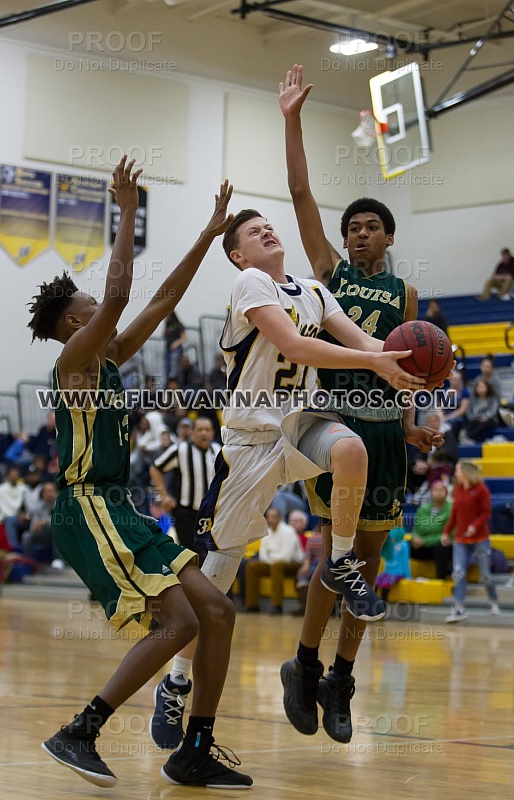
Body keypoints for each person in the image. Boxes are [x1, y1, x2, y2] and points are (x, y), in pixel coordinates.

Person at [149, 198, 424, 748]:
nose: (268, 230)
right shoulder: (250, 284)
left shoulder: (315, 291)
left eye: (269, 225)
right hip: (252, 441)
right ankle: (175, 683)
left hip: (301, 424)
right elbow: (296, 345)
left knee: (351, 450)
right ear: (237, 254)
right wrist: (374, 362)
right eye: (254, 230)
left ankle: (342, 562)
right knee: (218, 581)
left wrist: (408, 360)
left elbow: (365, 341)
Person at [29, 162, 253, 790]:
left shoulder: (109, 357)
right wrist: (128, 212)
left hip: (118, 506)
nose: (103, 309)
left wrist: (210, 234)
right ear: (76, 323)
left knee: (217, 611)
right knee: (178, 623)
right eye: (91, 306)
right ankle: (81, 730)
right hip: (87, 507)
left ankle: (195, 748)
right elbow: (126, 296)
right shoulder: (76, 359)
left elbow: (161, 300)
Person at [276, 64, 444, 745]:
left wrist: (412, 423)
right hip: (336, 432)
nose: (359, 234)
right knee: (333, 559)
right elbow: (297, 191)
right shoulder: (329, 273)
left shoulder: (405, 299)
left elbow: (406, 371)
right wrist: (290, 119)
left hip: (383, 437)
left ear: (389, 236)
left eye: (371, 226)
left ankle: (338, 678)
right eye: (353, 227)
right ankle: (304, 662)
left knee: (367, 571)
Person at [150, 417, 220, 562]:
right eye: (200, 430)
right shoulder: (180, 449)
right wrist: (164, 496)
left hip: (211, 514)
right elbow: (155, 468)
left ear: (213, 433)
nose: (203, 433)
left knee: (212, 556)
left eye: (207, 430)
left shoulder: (218, 451)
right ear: (193, 432)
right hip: (186, 513)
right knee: (194, 555)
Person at [441, 461, 500, 621]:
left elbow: (486, 512)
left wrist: (474, 526)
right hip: (460, 539)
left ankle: (493, 600)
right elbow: (454, 514)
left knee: (485, 576)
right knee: (458, 573)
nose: (455, 474)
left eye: (458, 471)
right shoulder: (457, 490)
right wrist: (446, 532)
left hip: (480, 538)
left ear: (465, 472)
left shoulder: (481, 489)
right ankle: (459, 608)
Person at [243, 508, 304, 614]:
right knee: (251, 566)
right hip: (274, 564)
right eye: (269, 517)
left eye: (274, 516)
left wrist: (271, 559)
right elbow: (262, 555)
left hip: (295, 564)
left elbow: (286, 557)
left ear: (280, 518)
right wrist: (271, 560)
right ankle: (252, 605)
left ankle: (277, 605)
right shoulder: (266, 532)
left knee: (277, 566)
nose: (271, 519)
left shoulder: (288, 531)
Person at [410, 480, 452, 577]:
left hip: (442, 546)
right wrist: (414, 538)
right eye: (435, 490)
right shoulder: (422, 509)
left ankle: (441, 579)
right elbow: (416, 529)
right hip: (423, 547)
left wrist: (424, 541)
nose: (438, 492)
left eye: (441, 490)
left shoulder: (451, 510)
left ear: (446, 493)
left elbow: (449, 535)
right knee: (403, 546)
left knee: (441, 547)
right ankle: (402, 576)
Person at [461, 378, 500, 444]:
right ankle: (464, 435)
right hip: (476, 419)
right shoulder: (473, 399)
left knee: (485, 423)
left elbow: (492, 412)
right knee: (468, 422)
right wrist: (478, 418)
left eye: (482, 387)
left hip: (489, 420)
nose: (480, 389)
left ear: (487, 387)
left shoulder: (493, 398)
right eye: (478, 387)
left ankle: (468, 436)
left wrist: (483, 417)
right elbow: (469, 413)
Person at [444, 371, 470, 441]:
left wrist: (448, 418)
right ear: (450, 380)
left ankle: (453, 441)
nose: (455, 381)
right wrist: (441, 418)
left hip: (458, 418)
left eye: (457, 379)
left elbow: (462, 410)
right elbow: (439, 407)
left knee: (453, 422)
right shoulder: (444, 392)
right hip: (445, 417)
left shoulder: (464, 392)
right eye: (453, 379)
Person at [163, 311, 186, 382]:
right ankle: (168, 385)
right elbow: (164, 335)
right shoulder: (168, 326)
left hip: (176, 350)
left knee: (175, 369)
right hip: (168, 350)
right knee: (167, 368)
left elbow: (184, 337)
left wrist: (176, 344)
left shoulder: (178, 325)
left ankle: (177, 384)